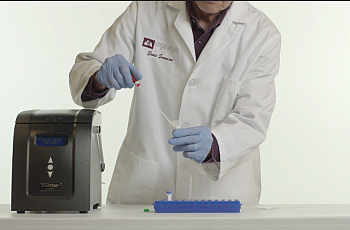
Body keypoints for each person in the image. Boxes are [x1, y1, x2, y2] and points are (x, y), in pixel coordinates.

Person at [69, 1, 281, 205]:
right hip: (144, 189)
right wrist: (99, 79)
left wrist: (216, 145)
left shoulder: (262, 35)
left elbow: (254, 117)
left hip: (222, 193)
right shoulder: (144, 9)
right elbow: (85, 69)